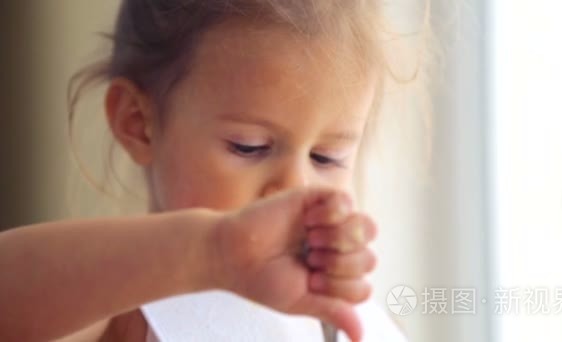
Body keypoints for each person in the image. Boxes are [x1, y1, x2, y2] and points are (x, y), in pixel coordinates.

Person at [0, 0, 411, 340]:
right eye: (249, 147)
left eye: (326, 157)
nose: (295, 188)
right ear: (138, 123)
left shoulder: (352, 319)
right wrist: (213, 251)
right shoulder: (122, 309)